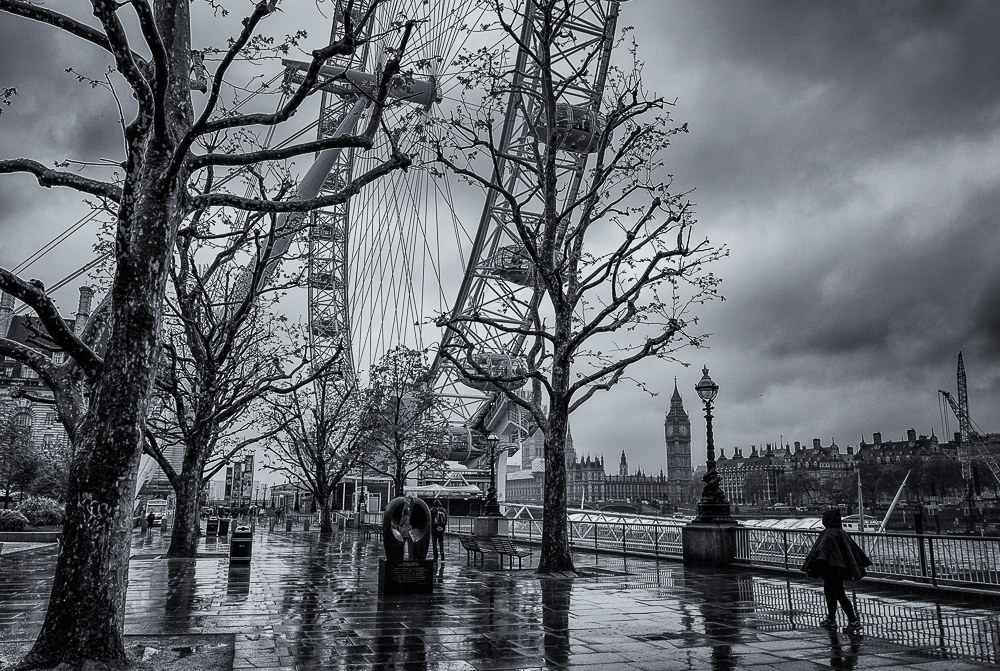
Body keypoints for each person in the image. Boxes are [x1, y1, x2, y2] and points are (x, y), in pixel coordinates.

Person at [802, 509, 872, 634]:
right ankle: (831, 619)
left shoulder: (828, 534)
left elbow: (822, 553)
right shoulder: (841, 532)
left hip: (830, 568)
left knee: (838, 594)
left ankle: (853, 621)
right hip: (838, 567)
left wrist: (812, 566)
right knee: (831, 593)